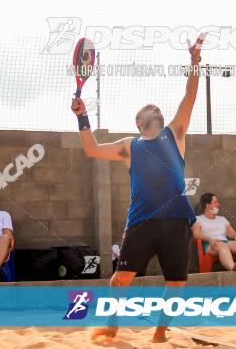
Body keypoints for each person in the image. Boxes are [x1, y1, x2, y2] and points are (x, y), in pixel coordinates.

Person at [70, 34, 204, 344]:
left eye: (157, 107)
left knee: (176, 285)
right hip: (141, 222)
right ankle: (112, 325)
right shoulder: (129, 146)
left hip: (174, 223)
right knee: (120, 280)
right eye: (149, 107)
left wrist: (195, 61)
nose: (156, 108)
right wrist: (82, 116)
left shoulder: (175, 134)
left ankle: (159, 333)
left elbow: (191, 95)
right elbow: (91, 149)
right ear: (139, 120)